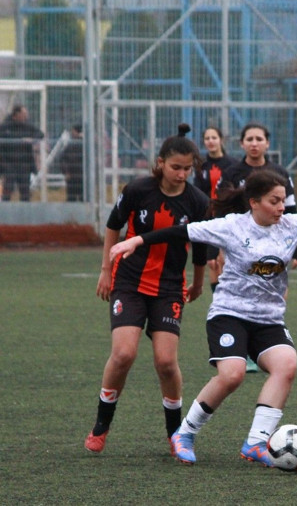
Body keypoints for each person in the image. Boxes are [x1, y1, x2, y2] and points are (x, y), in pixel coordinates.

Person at [108, 169, 297, 466]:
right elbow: (183, 232)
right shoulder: (232, 227)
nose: (281, 208)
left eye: (283, 201)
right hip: (230, 314)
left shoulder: (291, 225)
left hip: (269, 319)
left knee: (286, 365)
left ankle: (256, 442)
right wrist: (137, 241)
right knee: (232, 373)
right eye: (274, 201)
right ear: (254, 202)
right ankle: (184, 434)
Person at [84, 124, 210, 454]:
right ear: (160, 163)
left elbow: (200, 247)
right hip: (129, 281)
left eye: (188, 168)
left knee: (166, 363)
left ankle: (175, 433)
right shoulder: (138, 189)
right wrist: (106, 270)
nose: (182, 174)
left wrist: (197, 282)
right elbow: (114, 226)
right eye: (176, 167)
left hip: (169, 287)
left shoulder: (197, 201)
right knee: (124, 353)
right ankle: (102, 424)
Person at [218, 122, 297, 373]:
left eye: (259, 139)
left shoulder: (279, 173)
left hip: (275, 244)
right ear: (242, 143)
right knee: (238, 288)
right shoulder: (233, 173)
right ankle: (239, 346)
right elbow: (221, 208)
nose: (254, 143)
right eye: (249, 139)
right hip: (240, 246)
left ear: (267, 143)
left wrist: (296, 249)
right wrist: (216, 248)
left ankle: (265, 343)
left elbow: (293, 211)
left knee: (275, 289)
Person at [193, 126, 237, 292]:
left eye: (214, 137)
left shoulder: (232, 164)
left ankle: (230, 295)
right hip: (209, 216)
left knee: (224, 260)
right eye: (207, 138)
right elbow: (198, 192)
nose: (210, 141)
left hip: (228, 216)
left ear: (221, 140)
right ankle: (218, 297)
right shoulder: (201, 166)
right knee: (212, 262)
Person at [0, 104, 45, 202]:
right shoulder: (5, 126)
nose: (26, 116)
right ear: (16, 114)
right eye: (24, 113)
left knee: (25, 190)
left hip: (24, 164)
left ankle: (25, 213)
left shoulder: (27, 125)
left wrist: (32, 139)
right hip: (9, 164)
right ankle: (4, 211)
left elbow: (40, 134)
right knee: (8, 189)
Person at [58, 124, 84, 202]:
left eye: (73, 131)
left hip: (74, 176)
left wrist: (66, 172)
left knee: (72, 198)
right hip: (79, 176)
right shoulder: (83, 144)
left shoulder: (72, 145)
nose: (71, 133)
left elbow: (63, 158)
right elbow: (63, 159)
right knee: (81, 198)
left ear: (76, 132)